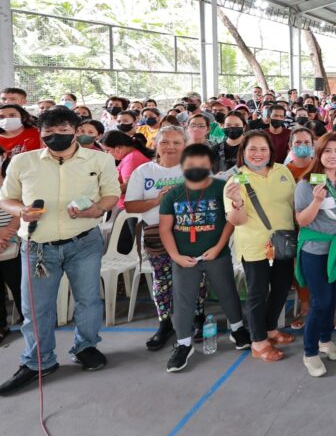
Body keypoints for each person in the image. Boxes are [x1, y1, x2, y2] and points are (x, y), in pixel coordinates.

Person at [0, 106, 120, 396]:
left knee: (88, 300)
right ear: (40, 133)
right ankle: (38, 361)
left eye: (63, 130)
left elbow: (111, 194)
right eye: (49, 132)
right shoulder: (22, 162)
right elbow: (7, 199)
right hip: (38, 247)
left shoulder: (99, 160)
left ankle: (85, 346)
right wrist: (21, 211)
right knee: (36, 308)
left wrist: (97, 209)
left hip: (84, 243)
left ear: (76, 132)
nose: (55, 136)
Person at [159, 144, 251, 372]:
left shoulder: (221, 188)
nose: (196, 168)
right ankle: (183, 344)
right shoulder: (173, 194)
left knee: (227, 292)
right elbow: (165, 229)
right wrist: (176, 256)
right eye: (191, 164)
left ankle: (238, 329)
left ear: (211, 165)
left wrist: (218, 247)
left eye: (202, 164)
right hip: (184, 258)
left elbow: (230, 220)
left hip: (216, 255)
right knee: (183, 300)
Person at [123, 126, 204, 351]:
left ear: (186, 146)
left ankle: (198, 318)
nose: (170, 147)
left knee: (195, 278)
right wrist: (157, 200)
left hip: (189, 233)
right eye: (165, 142)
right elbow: (130, 206)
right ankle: (165, 323)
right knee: (162, 280)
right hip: (155, 234)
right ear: (155, 144)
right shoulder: (143, 172)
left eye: (177, 143)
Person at [225, 130, 297, 362]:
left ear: (271, 151)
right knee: (258, 293)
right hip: (255, 246)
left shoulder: (282, 171)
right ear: (243, 151)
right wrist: (237, 202)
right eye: (252, 149)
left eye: (263, 149)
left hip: (283, 243)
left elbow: (293, 204)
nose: (258, 154)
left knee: (281, 287)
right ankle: (258, 341)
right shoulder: (236, 180)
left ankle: (271, 329)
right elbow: (236, 221)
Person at [293, 132, 336, 375]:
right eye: (327, 151)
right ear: (319, 153)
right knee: (320, 301)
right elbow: (301, 220)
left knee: (331, 297)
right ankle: (310, 352)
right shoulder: (306, 183)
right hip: (315, 251)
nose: (332, 156)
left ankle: (325, 340)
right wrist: (316, 201)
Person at [0, 148, 24, 343]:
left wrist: (7, 232)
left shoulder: (12, 180)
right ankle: (1, 325)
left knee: (19, 283)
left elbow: (22, 208)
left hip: (13, 239)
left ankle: (29, 320)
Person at [101, 130, 155, 209]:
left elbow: (128, 187)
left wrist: (102, 190)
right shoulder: (131, 156)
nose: (107, 154)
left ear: (118, 148)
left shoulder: (131, 159)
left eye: (108, 150)